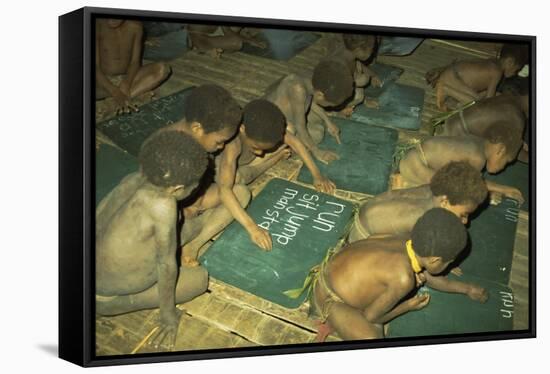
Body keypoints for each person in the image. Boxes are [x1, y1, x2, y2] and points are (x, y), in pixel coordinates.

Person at [96, 131, 210, 350]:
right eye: (196, 185)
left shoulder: (133, 179)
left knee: (192, 226)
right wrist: (167, 314)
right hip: (105, 299)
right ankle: (114, 306)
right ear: (177, 188)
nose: (199, 188)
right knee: (199, 279)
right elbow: (166, 264)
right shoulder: (163, 205)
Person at [310, 208, 488, 341]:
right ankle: (332, 318)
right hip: (330, 296)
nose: (451, 266)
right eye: (449, 262)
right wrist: (407, 306)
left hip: (337, 269)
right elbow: (371, 317)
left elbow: (427, 274)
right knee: (372, 338)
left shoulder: (407, 240)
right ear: (434, 260)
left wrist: (467, 289)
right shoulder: (404, 279)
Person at [216, 99, 337, 252]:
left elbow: (296, 143)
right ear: (242, 129)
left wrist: (317, 174)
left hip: (250, 159)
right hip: (230, 170)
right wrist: (252, 227)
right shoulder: (233, 145)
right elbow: (224, 189)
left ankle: (275, 155)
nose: (260, 152)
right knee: (239, 178)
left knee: (290, 129)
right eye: (256, 147)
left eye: (263, 149)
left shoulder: (261, 134)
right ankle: (276, 157)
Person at [160, 84, 252, 267]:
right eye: (219, 142)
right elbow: (156, 203)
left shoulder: (205, 135)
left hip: (195, 202)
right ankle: (192, 232)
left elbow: (225, 189)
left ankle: (194, 244)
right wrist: (181, 210)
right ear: (197, 128)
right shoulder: (167, 148)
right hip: (169, 215)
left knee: (241, 192)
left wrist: (251, 227)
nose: (221, 147)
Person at [348, 161, 487, 243]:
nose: (465, 222)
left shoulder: (432, 189)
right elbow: (420, 255)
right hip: (362, 237)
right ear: (444, 202)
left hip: (367, 211)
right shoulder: (425, 219)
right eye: (464, 214)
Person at [396, 125, 524, 203]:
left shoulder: (477, 141)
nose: (503, 167)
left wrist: (503, 189)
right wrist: (502, 190)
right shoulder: (478, 158)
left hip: (413, 157)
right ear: (500, 150)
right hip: (414, 166)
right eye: (506, 162)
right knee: (461, 193)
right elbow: (473, 183)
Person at [263, 60, 354, 164]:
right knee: (317, 133)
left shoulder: (313, 79)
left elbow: (310, 99)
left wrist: (328, 122)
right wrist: (317, 151)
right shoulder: (297, 89)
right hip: (271, 126)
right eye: (329, 104)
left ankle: (296, 145)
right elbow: (299, 126)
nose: (330, 107)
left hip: (289, 113)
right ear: (320, 95)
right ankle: (283, 151)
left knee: (319, 122)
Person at [96, 19, 171, 114]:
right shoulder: (98, 26)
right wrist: (115, 92)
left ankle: (112, 105)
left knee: (163, 69)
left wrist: (126, 84)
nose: (110, 19)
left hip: (126, 78)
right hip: (102, 82)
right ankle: (130, 96)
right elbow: (95, 67)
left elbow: (135, 62)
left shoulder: (136, 27)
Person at [426, 43, 528, 111]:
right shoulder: (497, 72)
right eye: (517, 69)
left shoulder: (492, 61)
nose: (515, 73)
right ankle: (445, 89)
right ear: (510, 62)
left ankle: (456, 99)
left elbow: (486, 91)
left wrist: (497, 94)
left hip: (453, 74)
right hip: (452, 79)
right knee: (477, 103)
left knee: (480, 96)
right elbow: (489, 100)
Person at [439, 94, 529, 162]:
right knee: (483, 158)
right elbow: (494, 166)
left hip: (452, 119)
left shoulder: (508, 96)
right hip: (456, 135)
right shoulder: (517, 119)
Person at [328, 33, 382, 115]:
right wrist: (341, 107)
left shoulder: (350, 53)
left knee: (359, 84)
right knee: (358, 95)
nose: (372, 52)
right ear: (357, 49)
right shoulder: (341, 64)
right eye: (371, 49)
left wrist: (373, 75)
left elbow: (359, 64)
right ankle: (335, 109)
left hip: (340, 87)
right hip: (331, 94)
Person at [187, 24, 266, 58]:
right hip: (202, 39)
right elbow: (196, 37)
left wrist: (248, 40)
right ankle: (215, 49)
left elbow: (227, 30)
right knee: (236, 43)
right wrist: (207, 50)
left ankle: (219, 47)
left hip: (216, 31)